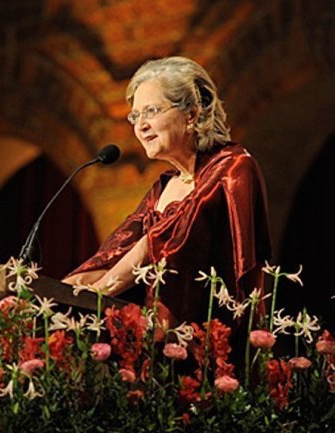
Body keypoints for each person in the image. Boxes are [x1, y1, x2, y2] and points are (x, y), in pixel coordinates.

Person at [63, 56, 272, 330]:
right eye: (135, 116)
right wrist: (65, 290)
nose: (140, 125)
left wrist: (101, 291)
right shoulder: (163, 186)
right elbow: (118, 251)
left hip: (213, 340)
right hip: (159, 345)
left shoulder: (233, 166)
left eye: (151, 111)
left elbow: (177, 238)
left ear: (192, 114)